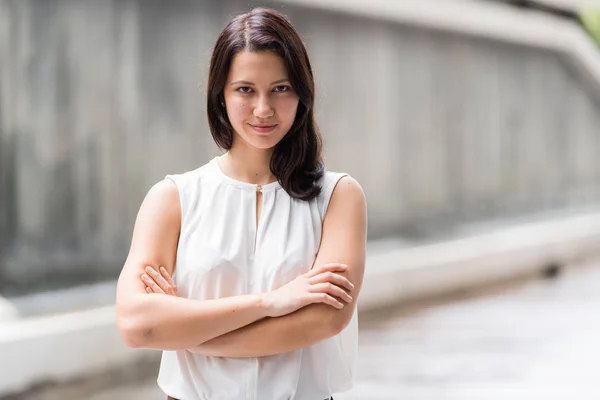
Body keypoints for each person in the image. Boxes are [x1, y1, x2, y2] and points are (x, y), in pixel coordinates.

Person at [115, 7, 367, 400]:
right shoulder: (173, 198)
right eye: (245, 89)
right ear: (221, 94)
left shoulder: (338, 197)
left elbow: (323, 321)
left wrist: (189, 333)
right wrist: (271, 302)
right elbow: (136, 324)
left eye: (280, 88)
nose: (263, 109)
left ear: (302, 92)